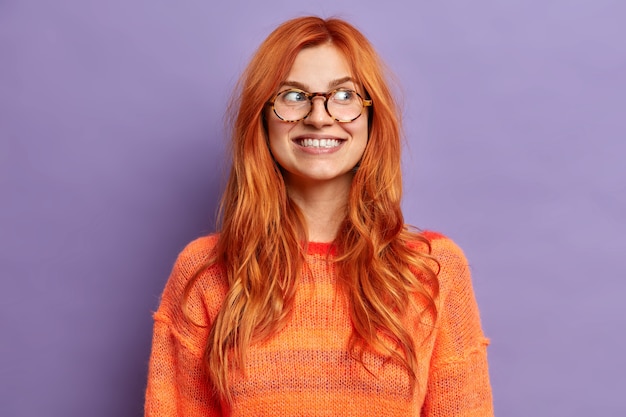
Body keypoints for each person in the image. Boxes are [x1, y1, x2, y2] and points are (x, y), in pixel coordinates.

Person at [144, 16, 493, 417]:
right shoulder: (205, 273)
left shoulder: (433, 269)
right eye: (293, 96)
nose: (319, 116)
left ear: (371, 116)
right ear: (262, 115)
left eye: (343, 96)